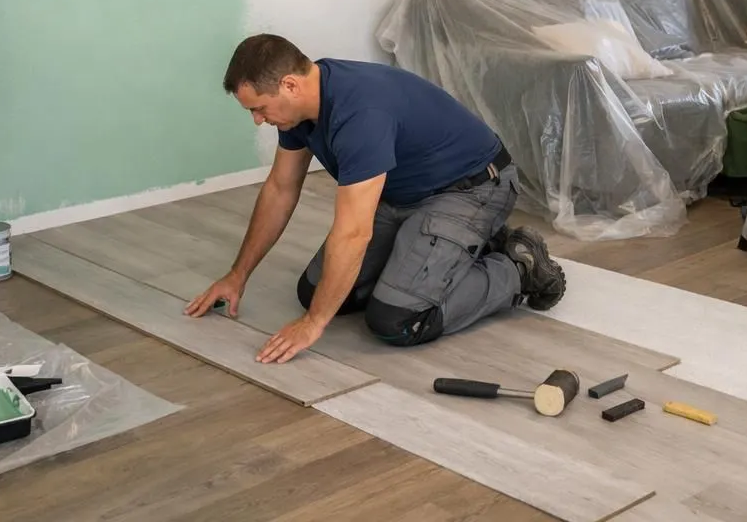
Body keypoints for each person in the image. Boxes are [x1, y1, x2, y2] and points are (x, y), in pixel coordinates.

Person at [186, 34, 567, 363]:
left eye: (259, 108)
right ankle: (454, 253)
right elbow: (280, 189)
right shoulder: (301, 109)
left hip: (473, 189)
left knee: (397, 320)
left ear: (288, 85)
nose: (257, 120)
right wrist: (237, 277)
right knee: (314, 292)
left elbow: (353, 232)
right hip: (405, 195)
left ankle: (518, 268)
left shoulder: (360, 114)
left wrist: (313, 326)